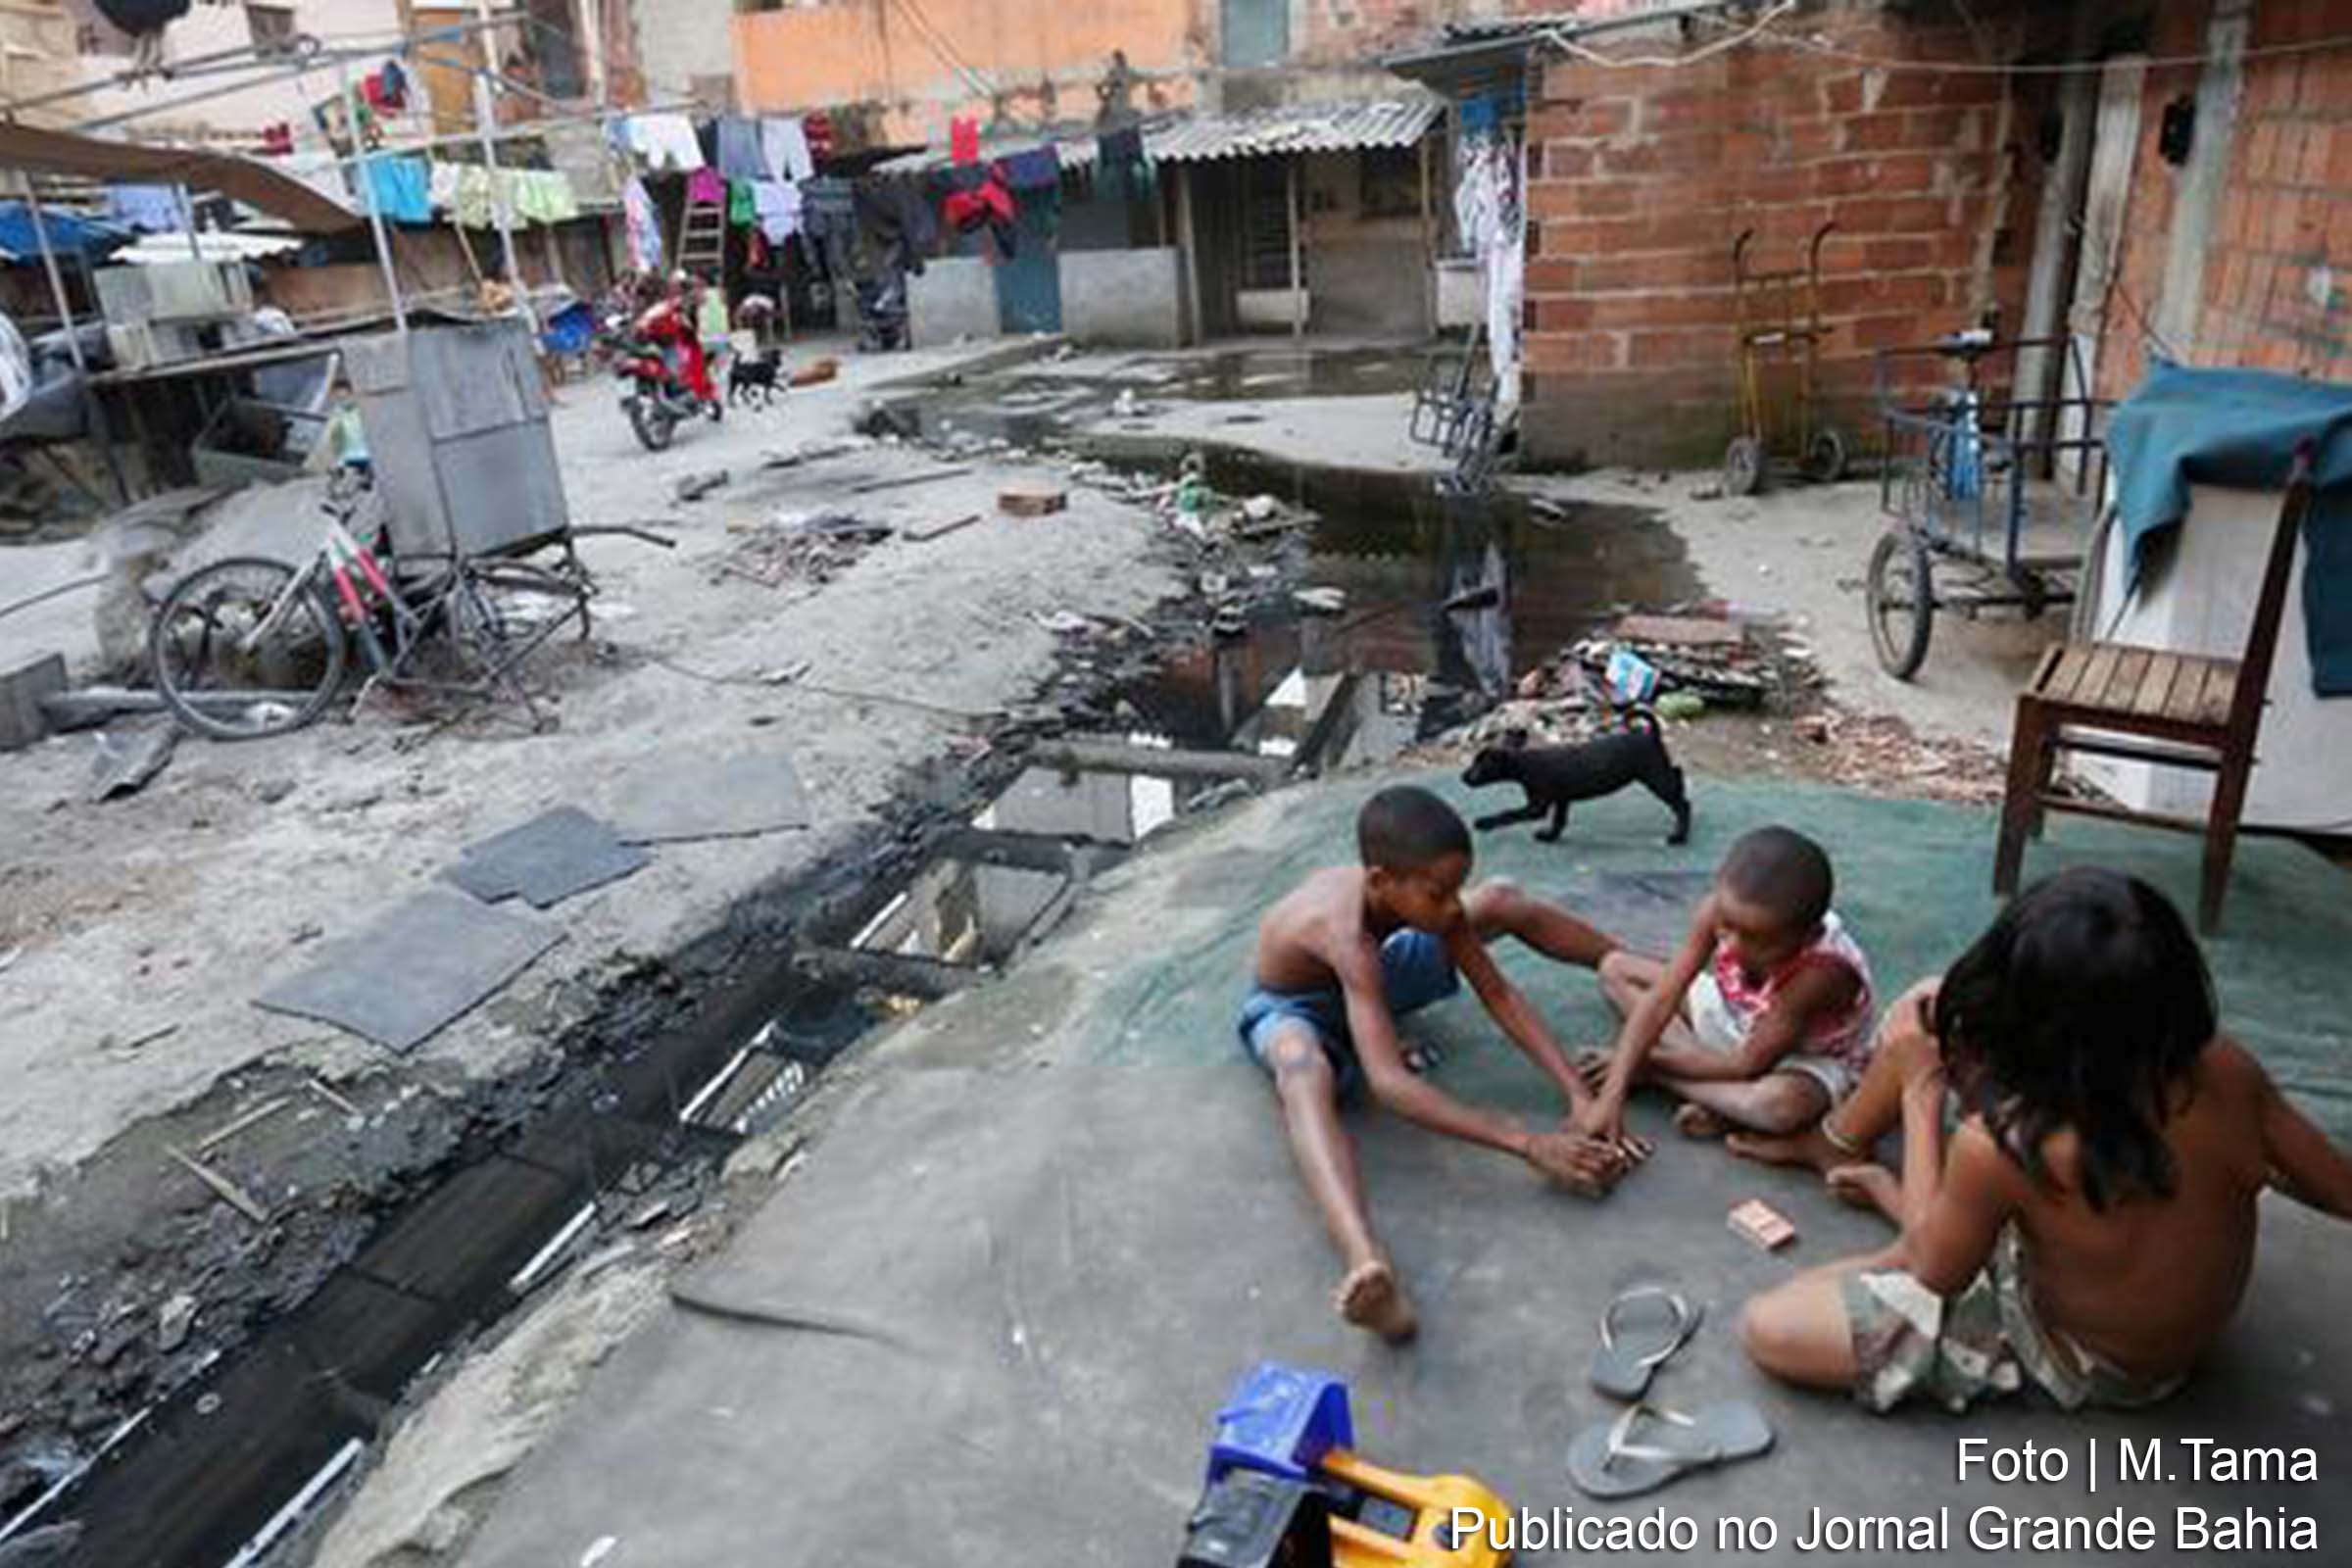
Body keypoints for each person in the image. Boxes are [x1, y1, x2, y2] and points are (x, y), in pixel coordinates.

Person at [1739, 867, 2352, 1413]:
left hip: (2093, 1359)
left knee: (1773, 1324)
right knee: (1927, 1027)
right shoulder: (2224, 1066)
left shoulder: (2000, 1146)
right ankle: (1837, 1144)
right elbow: (2339, 1189)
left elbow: (1930, 1271)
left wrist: (1922, 1098)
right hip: (2167, 1320)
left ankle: (1893, 1181)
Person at [1241, 785, 1647, 1343]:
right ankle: (1366, 1261)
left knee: (1502, 897)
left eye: (1455, 888)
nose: (1454, 906)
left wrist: (1579, 1094)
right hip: (1298, 1008)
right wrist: (1527, 1143)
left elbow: (1498, 994)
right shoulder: (1343, 936)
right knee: (1301, 1069)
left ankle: (1642, 973)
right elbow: (1389, 1085)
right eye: (1440, 892)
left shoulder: (1427, 904)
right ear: (1381, 881)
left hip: (1378, 983)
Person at [1584, 826, 1876, 1145]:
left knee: (1778, 1106)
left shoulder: (1820, 975)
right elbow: (1661, 999)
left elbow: (1746, 1065)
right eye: (1726, 926)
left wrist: (1643, 1063)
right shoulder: (1722, 912)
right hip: (1736, 1017)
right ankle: (1716, 1095)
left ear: (1806, 936)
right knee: (1616, 969)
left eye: (1755, 940)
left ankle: (1668, 1080)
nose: (1732, 945)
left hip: (1799, 1058)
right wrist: (1612, 1093)